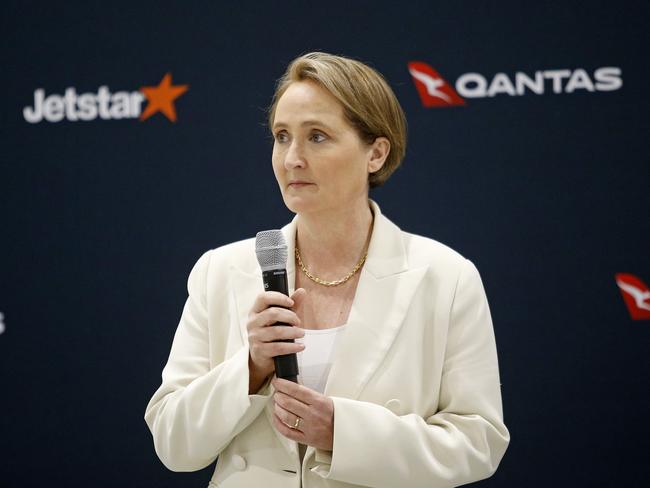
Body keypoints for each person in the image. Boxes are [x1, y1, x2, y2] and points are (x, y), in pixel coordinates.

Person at [145, 52, 510, 487]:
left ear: (375, 152)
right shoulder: (220, 270)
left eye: (317, 137)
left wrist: (343, 432)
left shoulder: (445, 277)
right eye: (282, 136)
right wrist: (250, 366)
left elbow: (477, 443)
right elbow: (173, 444)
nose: (292, 158)